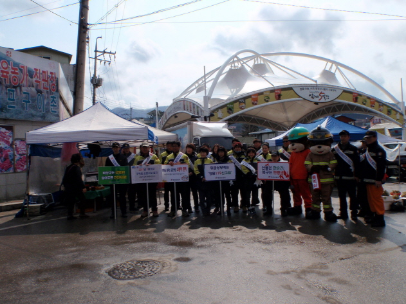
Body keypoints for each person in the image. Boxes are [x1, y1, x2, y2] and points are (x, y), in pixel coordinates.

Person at [331, 130, 360, 220]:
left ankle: (354, 213)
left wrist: (357, 175)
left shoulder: (353, 149)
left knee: (353, 196)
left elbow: (357, 163)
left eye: (344, 136)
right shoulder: (335, 149)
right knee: (342, 196)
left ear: (348, 137)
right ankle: (343, 213)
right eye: (341, 136)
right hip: (339, 177)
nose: (342, 138)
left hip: (351, 177)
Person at [360, 130, 387, 227]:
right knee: (370, 200)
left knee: (376, 199)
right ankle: (375, 216)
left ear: (375, 138)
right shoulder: (367, 150)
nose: (368, 140)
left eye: (370, 138)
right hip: (367, 179)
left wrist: (379, 179)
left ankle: (380, 218)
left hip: (375, 180)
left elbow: (381, 166)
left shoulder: (379, 150)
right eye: (367, 138)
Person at [134, 142, 161, 217]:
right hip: (142, 180)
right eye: (143, 147)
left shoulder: (153, 156)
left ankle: (154, 210)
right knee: (143, 196)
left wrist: (151, 166)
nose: (145, 149)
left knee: (152, 195)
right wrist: (138, 166)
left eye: (146, 147)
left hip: (152, 180)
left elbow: (158, 165)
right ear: (141, 148)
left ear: (149, 148)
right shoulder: (137, 157)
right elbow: (133, 167)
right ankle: (145, 210)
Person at [165, 141, 191, 217]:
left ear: (179, 147)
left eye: (176, 146)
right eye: (173, 146)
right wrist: (169, 164)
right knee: (173, 195)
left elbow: (188, 165)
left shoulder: (184, 156)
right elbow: (164, 165)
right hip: (173, 179)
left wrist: (181, 164)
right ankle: (173, 210)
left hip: (182, 180)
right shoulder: (169, 157)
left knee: (184, 195)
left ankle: (184, 210)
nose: (175, 147)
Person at [62, 153, 88, 220]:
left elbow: (64, 178)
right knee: (82, 199)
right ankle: (82, 213)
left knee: (71, 202)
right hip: (76, 188)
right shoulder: (76, 168)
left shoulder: (68, 167)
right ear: (77, 160)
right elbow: (79, 179)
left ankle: (70, 215)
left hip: (68, 188)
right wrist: (83, 187)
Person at [105, 142, 129, 218]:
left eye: (117, 147)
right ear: (112, 148)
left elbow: (126, 168)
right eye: (114, 147)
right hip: (112, 181)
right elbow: (106, 169)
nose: (115, 149)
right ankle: (113, 212)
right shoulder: (109, 158)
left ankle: (123, 212)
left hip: (122, 181)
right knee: (113, 197)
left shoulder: (123, 157)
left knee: (122, 197)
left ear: (119, 148)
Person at [194, 147, 214, 216]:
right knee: (201, 198)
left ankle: (208, 210)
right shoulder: (197, 161)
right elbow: (195, 170)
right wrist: (201, 177)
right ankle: (203, 211)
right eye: (201, 152)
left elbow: (212, 170)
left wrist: (207, 177)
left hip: (209, 183)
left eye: (204, 152)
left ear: (207, 153)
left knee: (209, 198)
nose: (202, 154)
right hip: (200, 182)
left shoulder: (210, 161)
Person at [271, 151, 292, 216]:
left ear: (279, 156)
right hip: (272, 181)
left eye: (275, 156)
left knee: (285, 195)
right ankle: (268, 208)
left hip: (283, 182)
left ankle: (285, 208)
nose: (274, 158)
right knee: (266, 194)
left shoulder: (284, 163)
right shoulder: (268, 162)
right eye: (272, 156)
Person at [229, 142, 247, 212]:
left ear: (241, 148)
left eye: (239, 147)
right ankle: (236, 206)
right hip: (234, 176)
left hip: (243, 176)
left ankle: (244, 205)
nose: (237, 148)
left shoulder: (245, 155)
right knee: (234, 193)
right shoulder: (230, 156)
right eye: (236, 147)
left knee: (244, 193)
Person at [214, 146, 233, 215]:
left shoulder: (228, 159)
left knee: (228, 195)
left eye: (222, 152)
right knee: (220, 196)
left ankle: (228, 209)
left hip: (227, 181)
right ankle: (221, 209)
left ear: (224, 152)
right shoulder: (215, 159)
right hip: (218, 181)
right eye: (219, 152)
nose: (221, 153)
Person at [241, 147, 258, 214]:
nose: (251, 154)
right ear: (247, 153)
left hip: (256, 180)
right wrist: (250, 173)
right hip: (247, 179)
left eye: (252, 153)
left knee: (255, 194)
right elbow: (243, 169)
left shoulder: (257, 160)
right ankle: (248, 206)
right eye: (249, 153)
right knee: (247, 194)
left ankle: (253, 205)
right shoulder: (244, 161)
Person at [257, 142, 273, 215]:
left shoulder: (271, 156)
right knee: (263, 193)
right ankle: (264, 205)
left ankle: (269, 206)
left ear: (268, 149)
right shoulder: (259, 157)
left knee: (269, 193)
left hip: (270, 178)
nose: (264, 149)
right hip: (263, 178)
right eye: (263, 148)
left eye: (266, 148)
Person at [357, 139, 371, 218]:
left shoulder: (370, 151)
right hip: (360, 175)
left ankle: (368, 211)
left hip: (368, 175)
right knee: (360, 195)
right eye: (362, 142)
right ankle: (362, 209)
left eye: (364, 142)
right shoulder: (360, 151)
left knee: (367, 195)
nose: (363, 144)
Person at [121, 143, 137, 211]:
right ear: (123, 149)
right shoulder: (121, 156)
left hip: (131, 177)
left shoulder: (134, 156)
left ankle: (132, 206)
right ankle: (123, 208)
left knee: (132, 193)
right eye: (125, 149)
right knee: (123, 193)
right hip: (123, 177)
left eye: (127, 148)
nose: (126, 150)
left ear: (129, 148)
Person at [185, 143, 199, 213]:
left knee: (195, 193)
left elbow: (197, 167)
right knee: (186, 194)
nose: (188, 149)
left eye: (190, 148)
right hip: (185, 178)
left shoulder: (196, 157)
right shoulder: (183, 157)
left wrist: (192, 173)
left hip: (194, 178)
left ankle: (196, 207)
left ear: (193, 149)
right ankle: (189, 207)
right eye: (188, 148)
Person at [160, 141, 173, 211]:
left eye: (170, 146)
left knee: (174, 191)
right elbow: (160, 163)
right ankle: (166, 205)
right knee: (166, 191)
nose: (169, 147)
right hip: (166, 175)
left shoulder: (175, 154)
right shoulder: (163, 154)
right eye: (168, 146)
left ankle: (176, 204)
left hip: (174, 175)